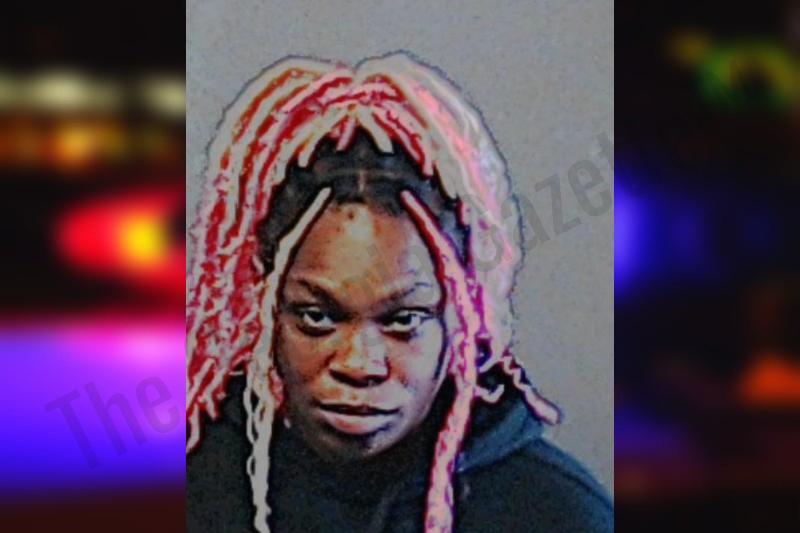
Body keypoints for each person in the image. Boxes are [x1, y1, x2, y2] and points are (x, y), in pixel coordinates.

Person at [186, 53, 613, 533]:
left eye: (404, 320)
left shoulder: (555, 515)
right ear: (262, 305)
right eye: (317, 317)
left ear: (462, 314)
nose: (360, 365)